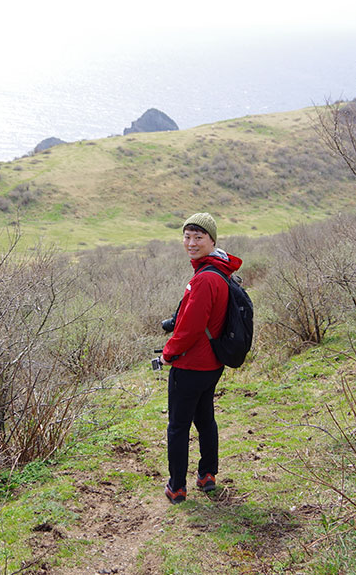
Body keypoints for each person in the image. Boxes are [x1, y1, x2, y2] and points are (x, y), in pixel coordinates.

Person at [160, 212, 243, 504]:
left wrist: (168, 354)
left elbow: (193, 327)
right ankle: (207, 475)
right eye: (187, 236)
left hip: (191, 365)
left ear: (212, 240)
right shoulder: (219, 270)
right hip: (212, 364)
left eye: (198, 237)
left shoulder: (205, 278)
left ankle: (177, 487)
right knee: (205, 419)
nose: (191, 243)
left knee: (178, 426)